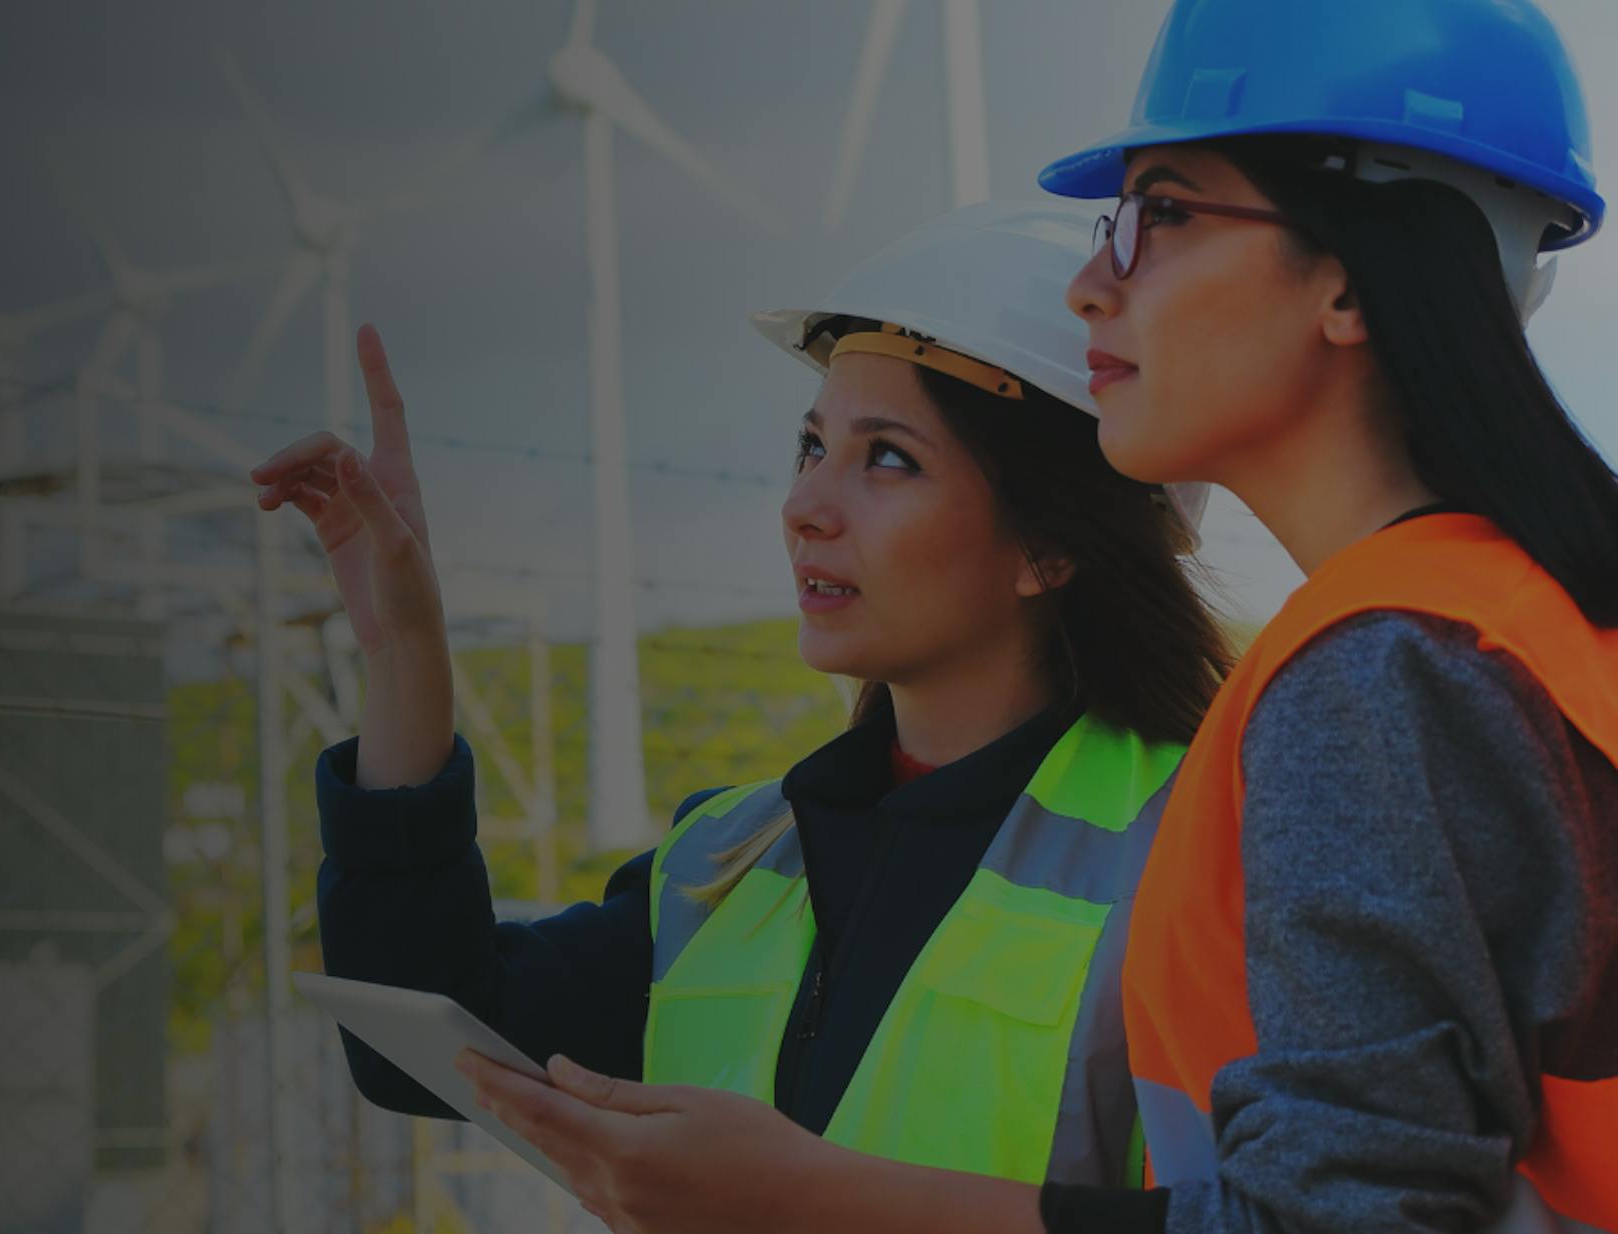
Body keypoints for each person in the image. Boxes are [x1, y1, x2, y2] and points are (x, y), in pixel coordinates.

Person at [460, 3, 1618, 1233]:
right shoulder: (1515, 623)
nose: (1088, 286)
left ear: (1345, 280)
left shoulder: (1380, 672)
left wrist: (811, 1198)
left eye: (1163, 214)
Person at [251, 202, 1232, 1198]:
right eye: (813, 447)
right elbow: (417, 1036)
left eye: (887, 458)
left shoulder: (1206, 856)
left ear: (1051, 546)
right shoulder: (725, 868)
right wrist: (405, 650)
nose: (805, 506)